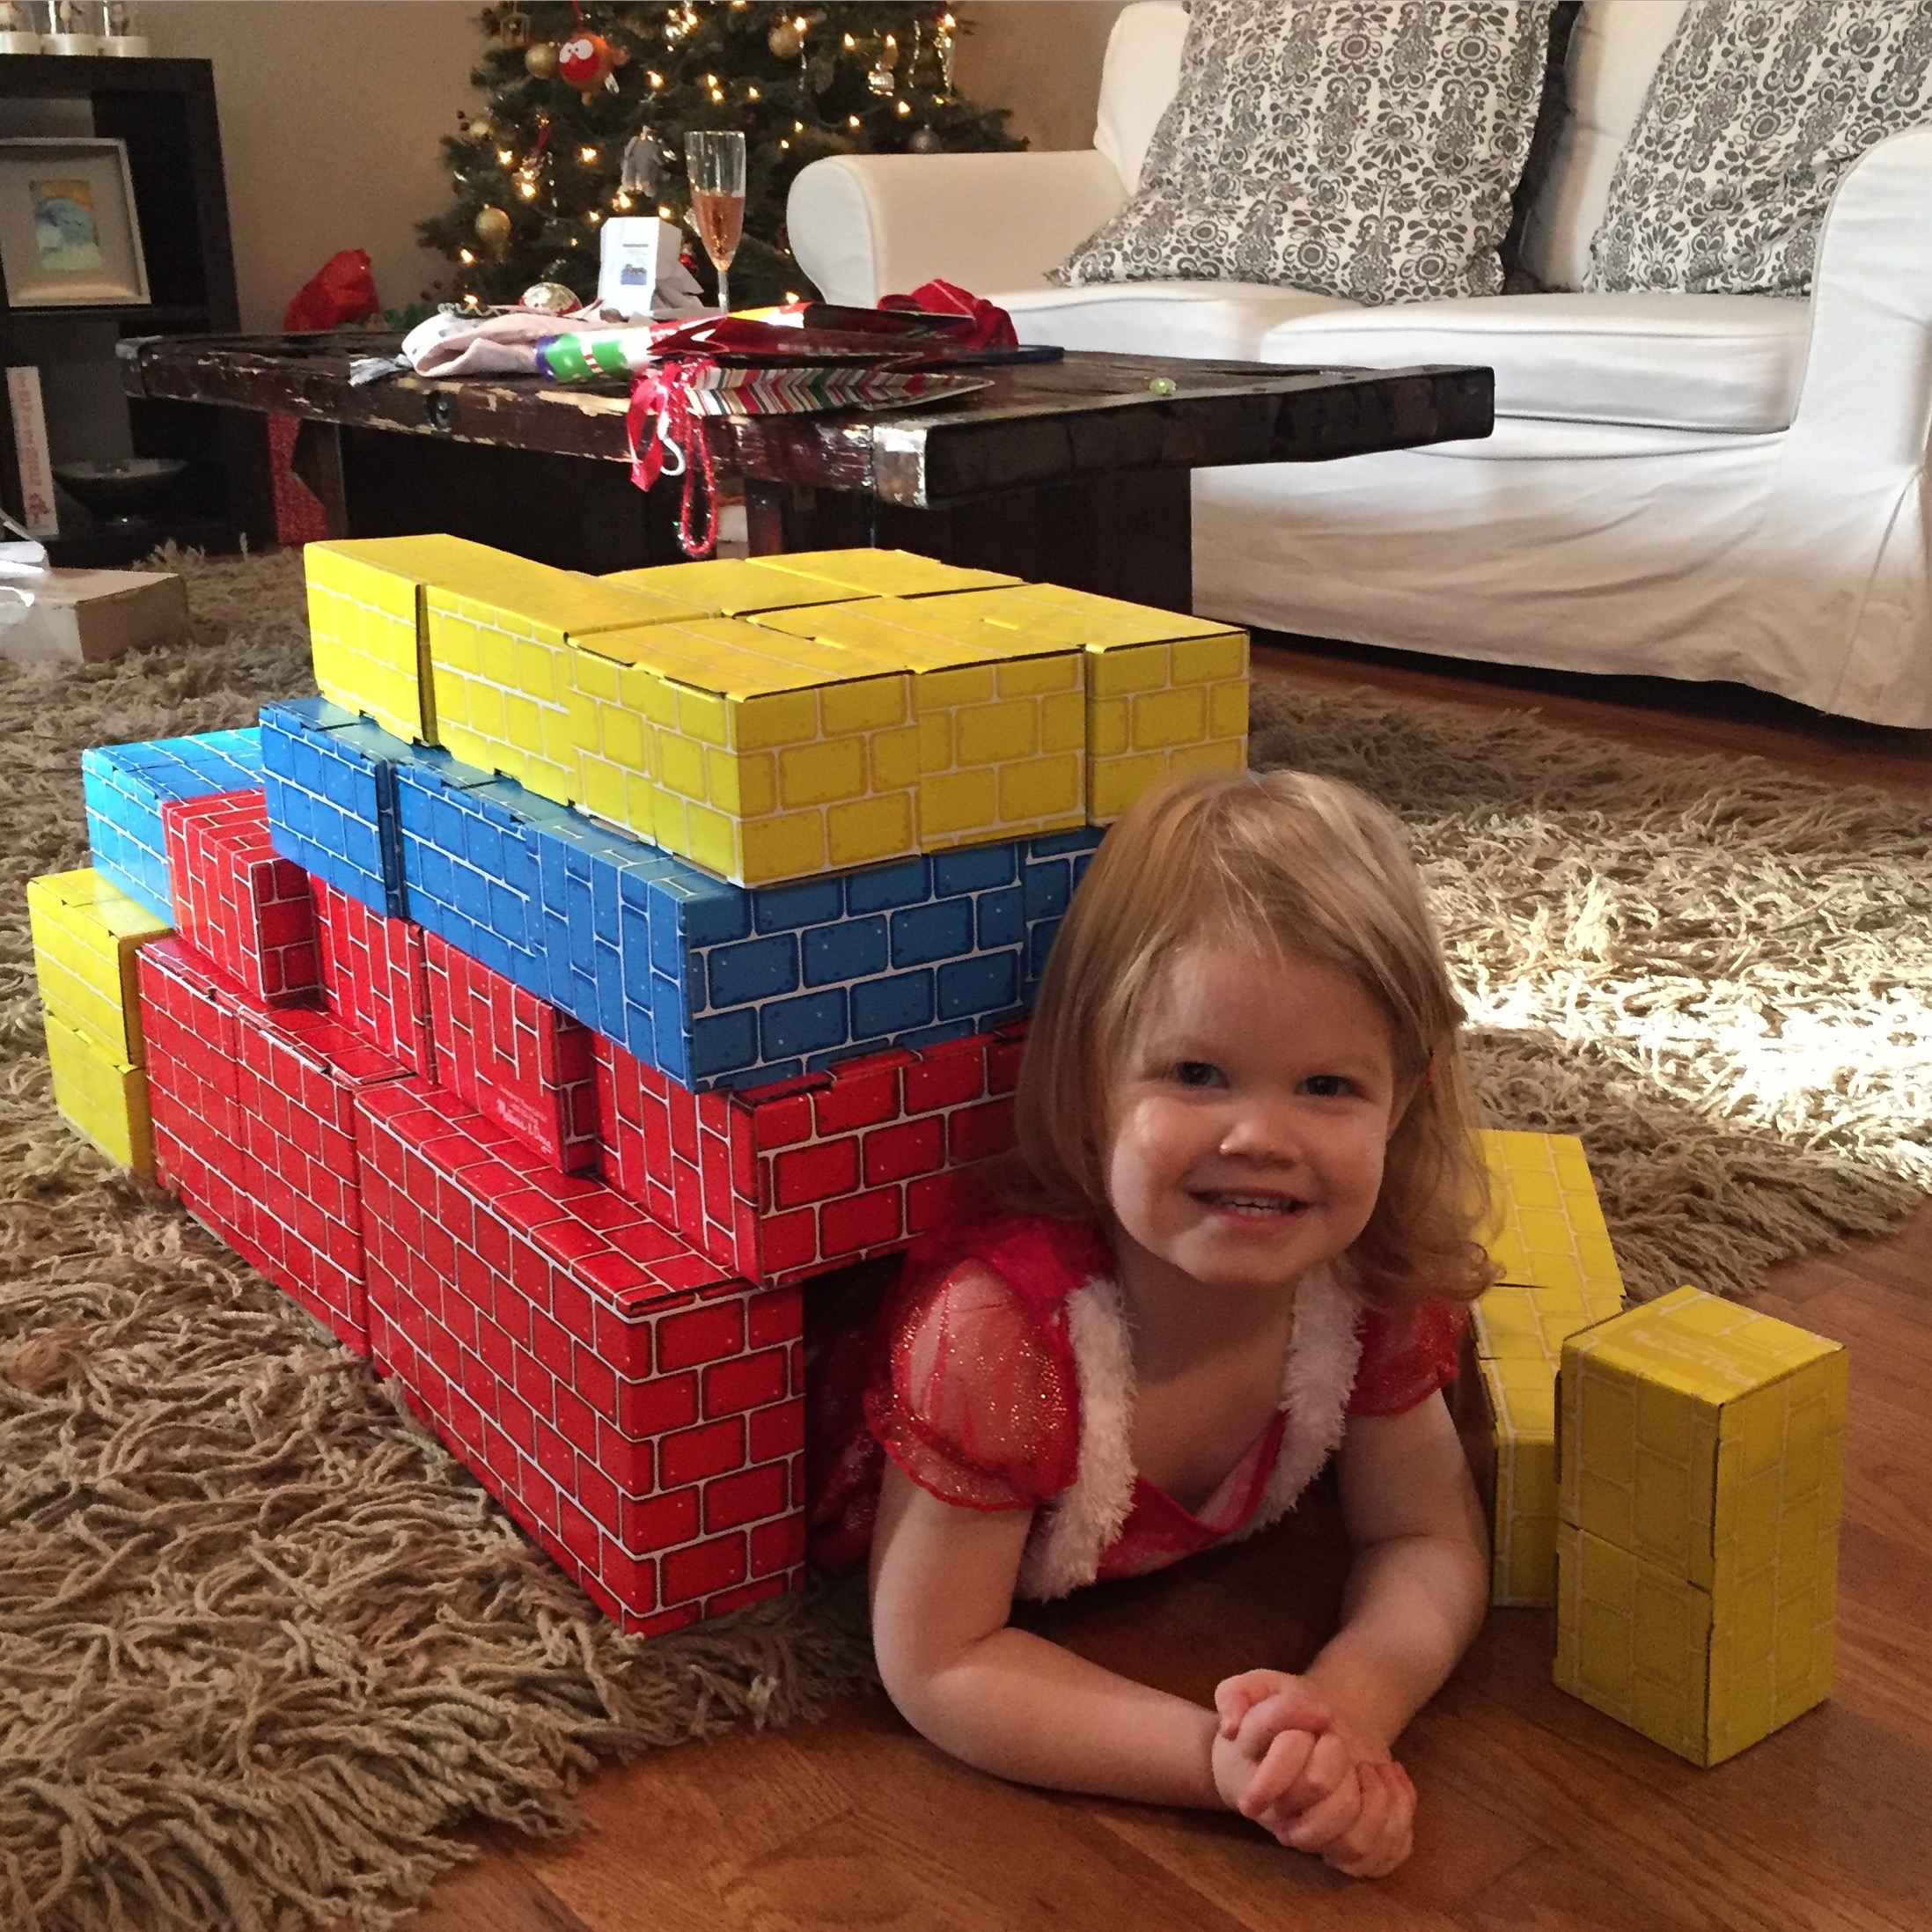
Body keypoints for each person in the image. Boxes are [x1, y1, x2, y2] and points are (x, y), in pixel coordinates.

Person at [808, 768, 1495, 1879]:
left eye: (1327, 1086)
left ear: (1402, 1099)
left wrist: (1343, 1716)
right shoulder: (1001, 1335)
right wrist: (1218, 1761)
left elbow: (1427, 1538)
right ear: (1092, 1082)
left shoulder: (1364, 1284)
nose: (1260, 1136)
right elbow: (938, 1658)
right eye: (1196, 1072)